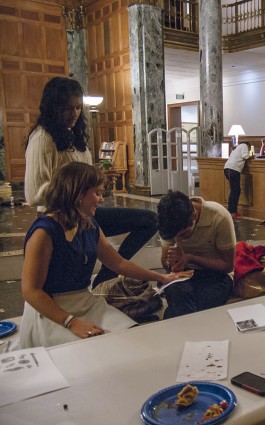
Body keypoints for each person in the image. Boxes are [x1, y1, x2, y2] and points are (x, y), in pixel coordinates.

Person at [19, 162, 180, 349]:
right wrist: (71, 322)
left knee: (130, 338)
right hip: (50, 312)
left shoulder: (89, 225)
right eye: (97, 193)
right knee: (93, 350)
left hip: (83, 302)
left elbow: (118, 263)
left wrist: (161, 277)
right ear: (77, 193)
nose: (101, 199)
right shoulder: (44, 232)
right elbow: (31, 291)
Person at [24, 76, 158, 287]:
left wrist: (97, 178)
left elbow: (82, 175)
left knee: (150, 220)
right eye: (68, 108)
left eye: (78, 107)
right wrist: (76, 188)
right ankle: (107, 275)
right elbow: (34, 194)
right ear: (54, 107)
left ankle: (107, 276)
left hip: (84, 213)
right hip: (61, 217)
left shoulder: (75, 136)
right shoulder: (42, 138)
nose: (75, 113)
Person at [156, 190, 236, 319]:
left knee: (202, 302)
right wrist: (172, 263)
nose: (179, 240)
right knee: (177, 293)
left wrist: (191, 258)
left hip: (217, 274)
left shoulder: (219, 217)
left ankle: (175, 322)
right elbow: (165, 262)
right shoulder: (168, 221)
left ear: (194, 215)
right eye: (175, 236)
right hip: (184, 274)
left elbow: (227, 266)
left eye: (184, 234)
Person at [224, 141, 253, 220]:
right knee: (235, 190)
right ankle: (231, 212)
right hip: (233, 169)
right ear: (248, 145)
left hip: (229, 169)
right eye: (249, 149)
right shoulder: (244, 145)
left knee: (235, 190)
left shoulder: (236, 148)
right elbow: (245, 156)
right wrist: (252, 156)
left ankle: (232, 211)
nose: (248, 149)